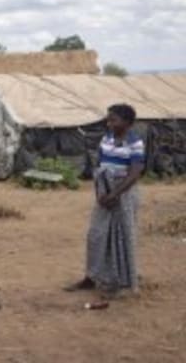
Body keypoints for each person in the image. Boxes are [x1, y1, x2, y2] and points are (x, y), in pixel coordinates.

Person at [65, 104, 144, 295]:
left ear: (127, 122)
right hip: (104, 193)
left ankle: (122, 283)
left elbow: (135, 172)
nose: (109, 123)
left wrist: (115, 194)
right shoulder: (106, 138)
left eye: (113, 120)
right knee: (96, 235)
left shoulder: (135, 142)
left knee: (121, 238)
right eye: (108, 119)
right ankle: (91, 277)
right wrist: (100, 193)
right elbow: (99, 166)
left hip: (124, 194)